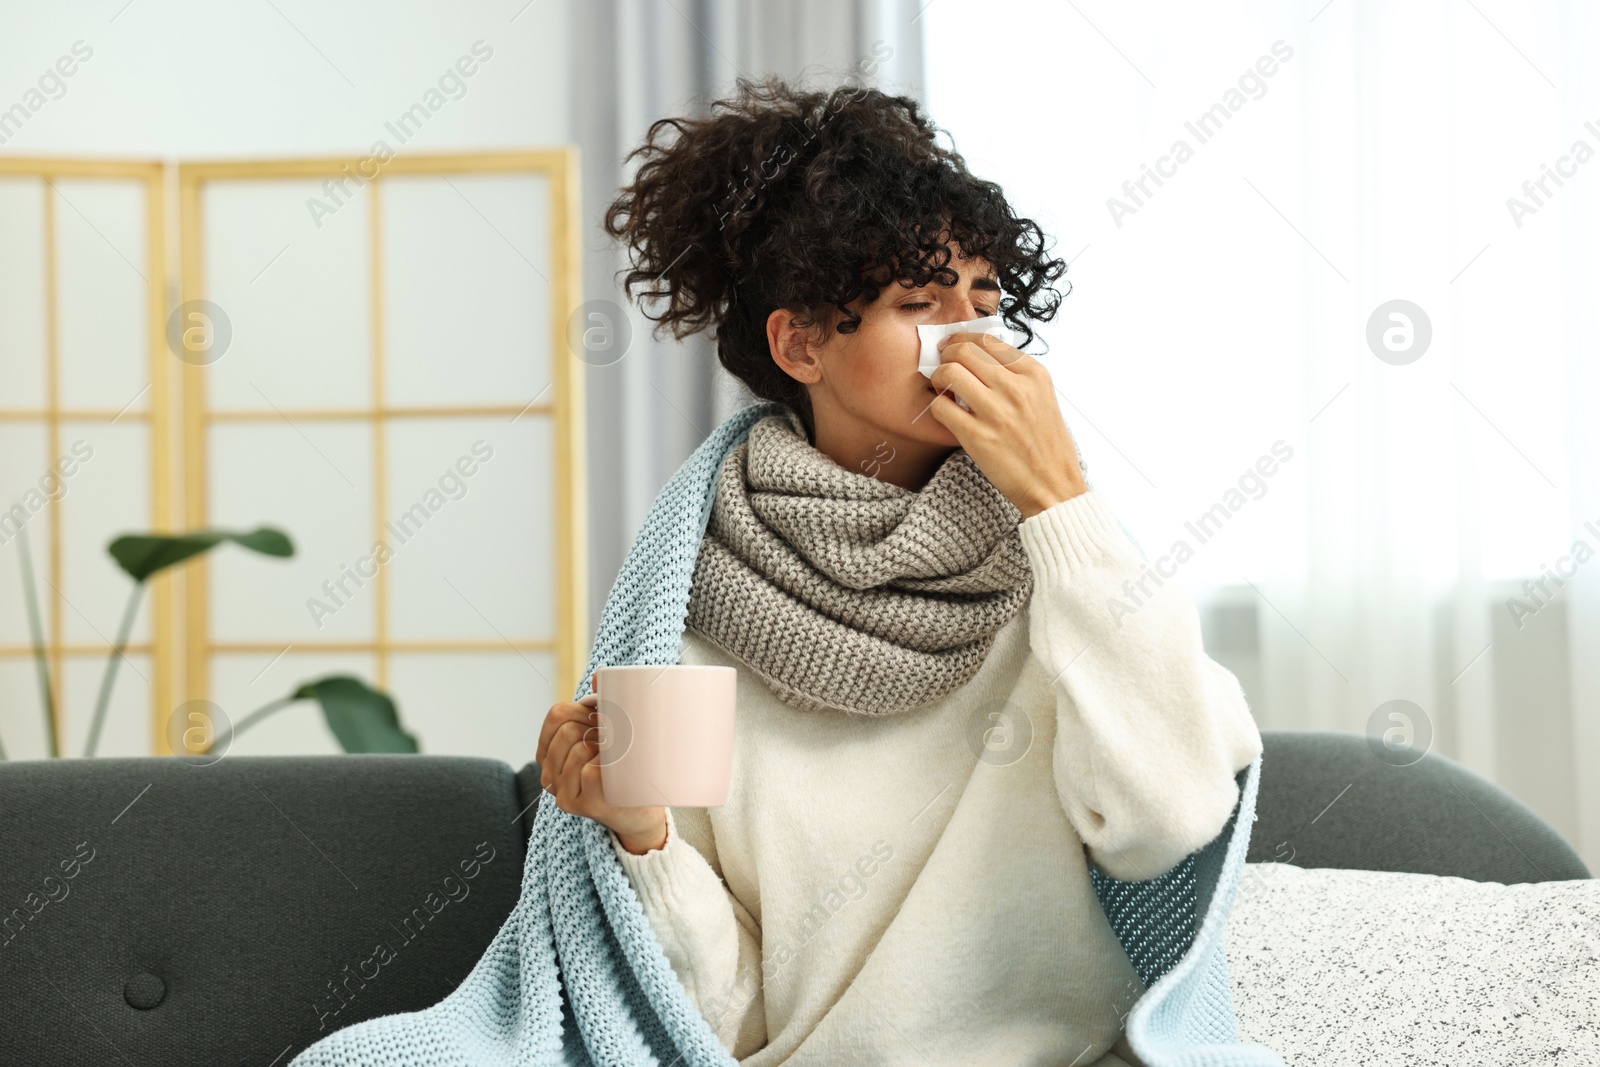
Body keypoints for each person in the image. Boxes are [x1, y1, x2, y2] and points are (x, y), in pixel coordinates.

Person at [535, 75, 1262, 1067]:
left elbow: (1169, 821)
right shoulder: (686, 620)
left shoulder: (1065, 582)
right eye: (917, 303)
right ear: (799, 344)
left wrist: (1062, 502)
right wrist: (643, 833)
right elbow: (722, 1017)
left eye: (985, 299)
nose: (964, 334)